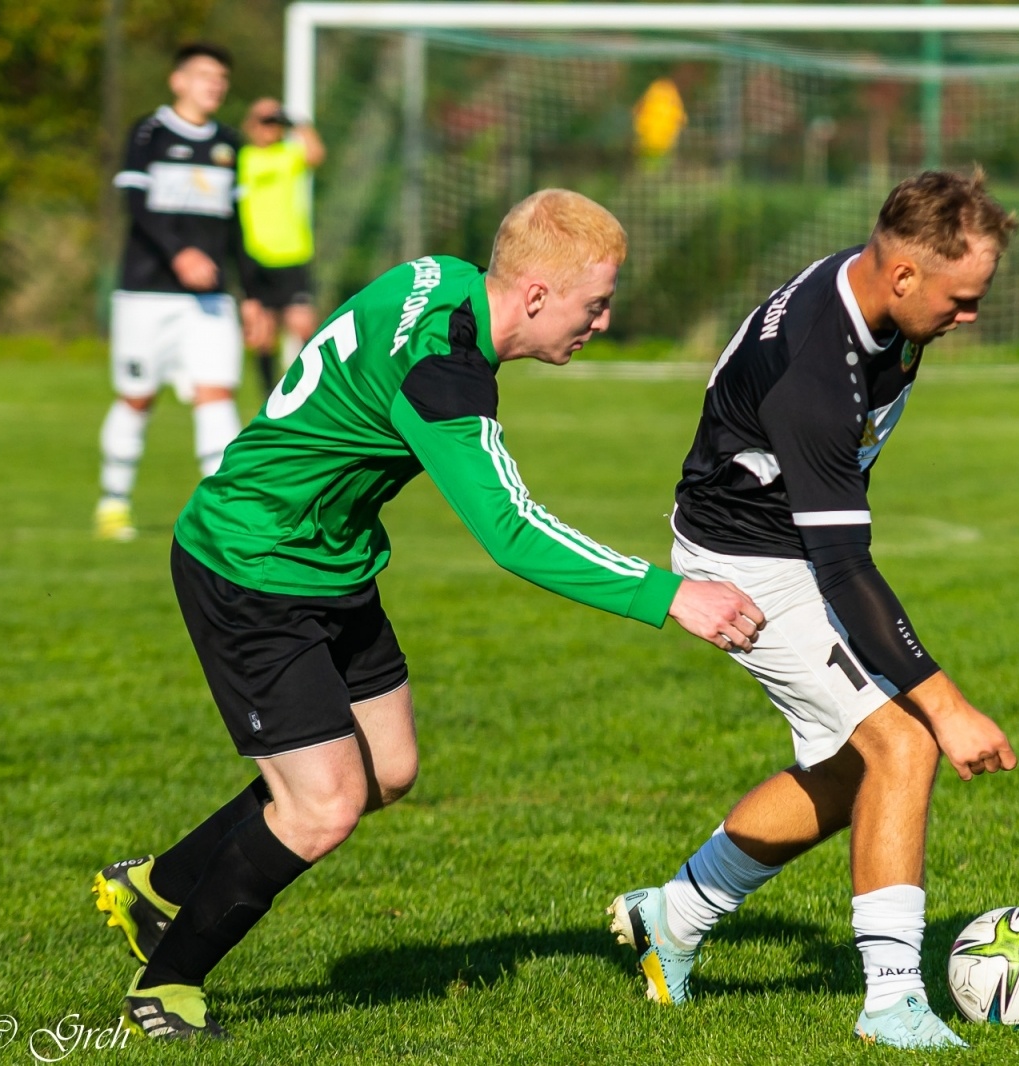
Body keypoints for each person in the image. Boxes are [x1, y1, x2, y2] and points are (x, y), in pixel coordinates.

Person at [89, 190, 766, 1040]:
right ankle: (166, 985)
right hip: (251, 564)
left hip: (330, 559)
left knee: (389, 767)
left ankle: (157, 887)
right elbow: (512, 531)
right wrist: (671, 596)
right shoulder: (444, 372)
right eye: (594, 304)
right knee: (323, 806)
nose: (602, 321)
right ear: (535, 296)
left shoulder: (440, 276)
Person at [606, 169, 1019, 1050]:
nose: (971, 315)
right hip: (749, 564)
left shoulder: (882, 297)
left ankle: (672, 916)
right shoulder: (816, 373)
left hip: (784, 543)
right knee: (905, 743)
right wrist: (949, 705)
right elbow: (842, 566)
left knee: (850, 769)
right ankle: (892, 1004)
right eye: (961, 299)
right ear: (903, 275)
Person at [95, 43, 256, 542]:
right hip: (146, 295)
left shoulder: (230, 144)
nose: (216, 84)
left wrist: (251, 294)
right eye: (206, 74)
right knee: (137, 396)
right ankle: (114, 502)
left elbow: (237, 226)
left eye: (222, 76)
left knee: (216, 394)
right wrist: (179, 253)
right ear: (178, 80)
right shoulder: (149, 133)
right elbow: (137, 205)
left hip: (210, 301)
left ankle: (222, 514)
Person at [237, 97, 325, 395]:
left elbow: (316, 153)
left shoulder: (288, 155)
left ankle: (312, 392)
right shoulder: (242, 158)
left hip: (292, 255)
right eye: (264, 121)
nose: (270, 127)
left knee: (304, 327)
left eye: (275, 121)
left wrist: (297, 122)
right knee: (262, 335)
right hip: (256, 257)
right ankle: (269, 398)